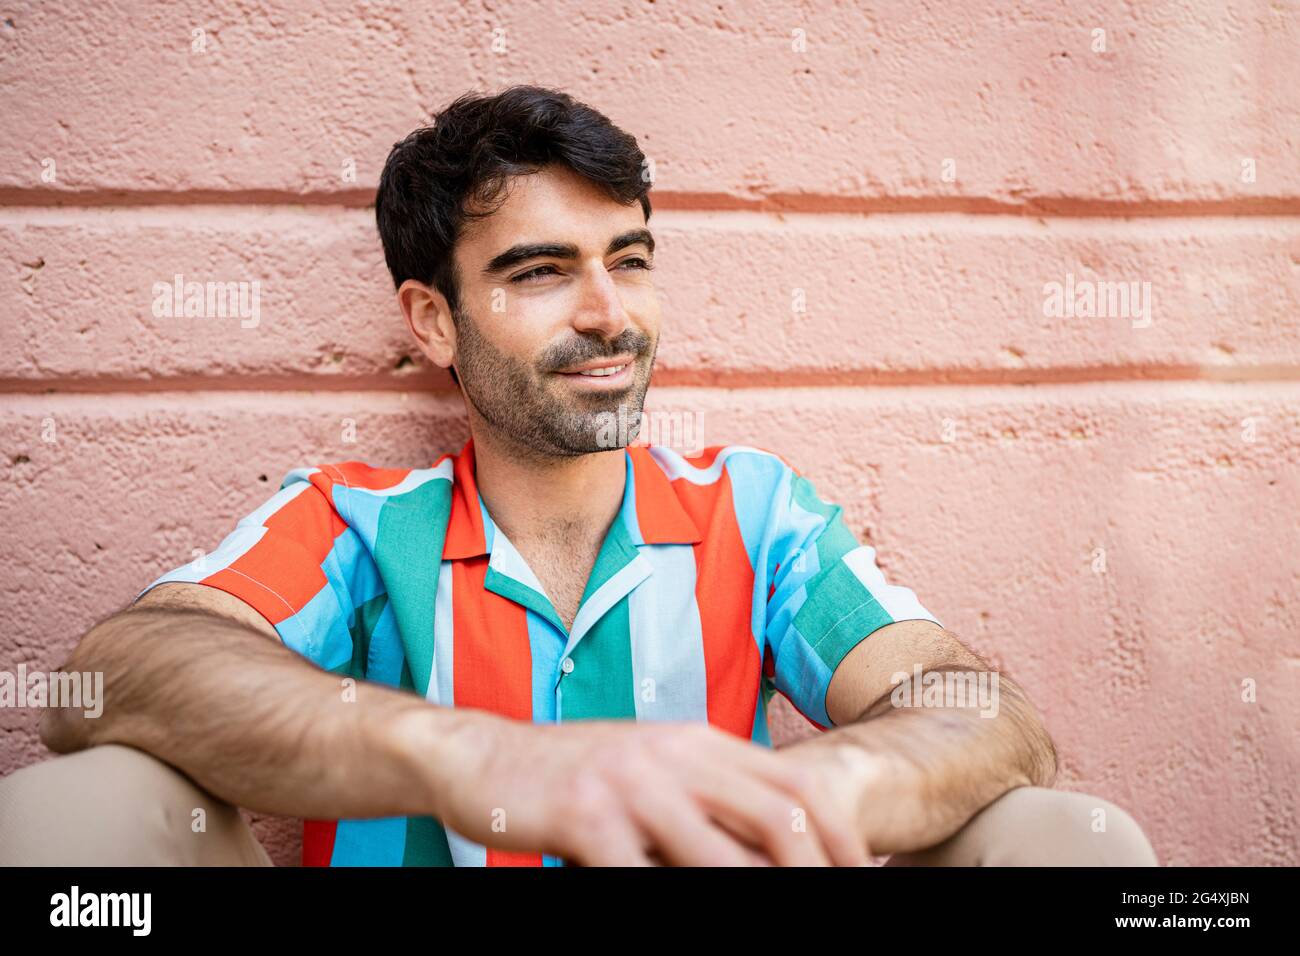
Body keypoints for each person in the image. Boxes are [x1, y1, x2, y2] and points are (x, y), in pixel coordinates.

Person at [0, 86, 1157, 867]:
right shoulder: (354, 524)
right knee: (76, 812)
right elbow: (107, 679)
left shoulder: (755, 514)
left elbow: (977, 707)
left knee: (1069, 837)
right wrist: (476, 756)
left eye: (631, 260)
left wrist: (836, 785)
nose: (609, 314)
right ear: (432, 321)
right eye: (541, 270)